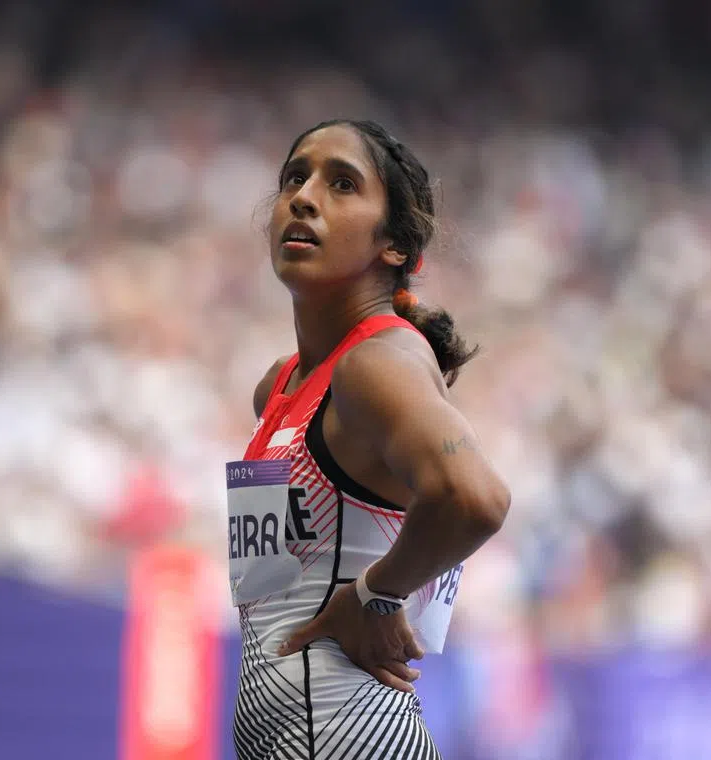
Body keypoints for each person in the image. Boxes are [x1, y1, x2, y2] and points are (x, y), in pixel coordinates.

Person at [226, 119, 511, 759]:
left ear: (392, 246)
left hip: (349, 738)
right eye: (294, 177)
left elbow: (477, 498)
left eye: (342, 184)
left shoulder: (375, 363)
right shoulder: (281, 385)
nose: (303, 196)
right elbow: (278, 585)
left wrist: (375, 595)